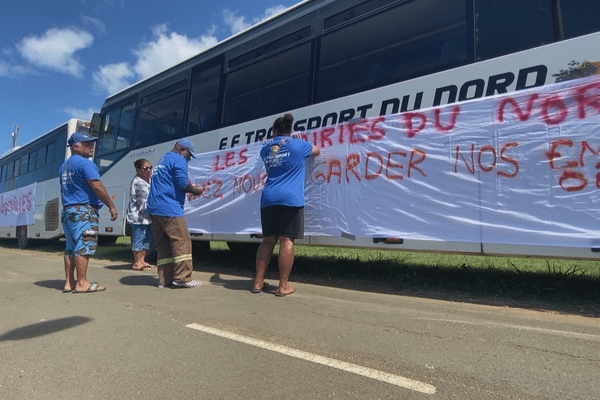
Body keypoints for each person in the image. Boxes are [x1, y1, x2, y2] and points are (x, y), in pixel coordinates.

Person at [253, 113, 320, 296]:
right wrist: (299, 140)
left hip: (268, 199)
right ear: (290, 130)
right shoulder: (299, 145)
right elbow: (316, 150)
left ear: (275, 131)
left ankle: (258, 283)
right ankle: (283, 286)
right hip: (291, 198)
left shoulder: (265, 148)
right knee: (286, 240)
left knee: (268, 241)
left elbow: (274, 150)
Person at [60, 132, 118, 293]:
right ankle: (82, 283)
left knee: (70, 247)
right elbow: (97, 186)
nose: (91, 146)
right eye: (86, 143)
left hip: (68, 211)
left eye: (92, 143)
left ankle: (69, 282)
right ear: (75, 146)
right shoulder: (86, 164)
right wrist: (111, 206)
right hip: (84, 211)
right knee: (84, 245)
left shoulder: (64, 167)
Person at [147, 138, 205, 288]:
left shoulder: (163, 159)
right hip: (169, 207)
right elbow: (181, 184)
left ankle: (164, 280)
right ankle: (183, 278)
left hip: (154, 208)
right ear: (181, 149)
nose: (190, 158)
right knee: (182, 241)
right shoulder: (179, 160)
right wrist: (195, 189)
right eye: (189, 154)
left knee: (163, 245)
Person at [126, 158, 155, 271]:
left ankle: (142, 261)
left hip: (148, 217)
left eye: (150, 167)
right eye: (145, 168)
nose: (148, 170)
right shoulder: (138, 182)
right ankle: (137, 262)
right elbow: (143, 202)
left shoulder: (150, 180)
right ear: (138, 170)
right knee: (139, 238)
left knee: (148, 239)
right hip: (139, 216)